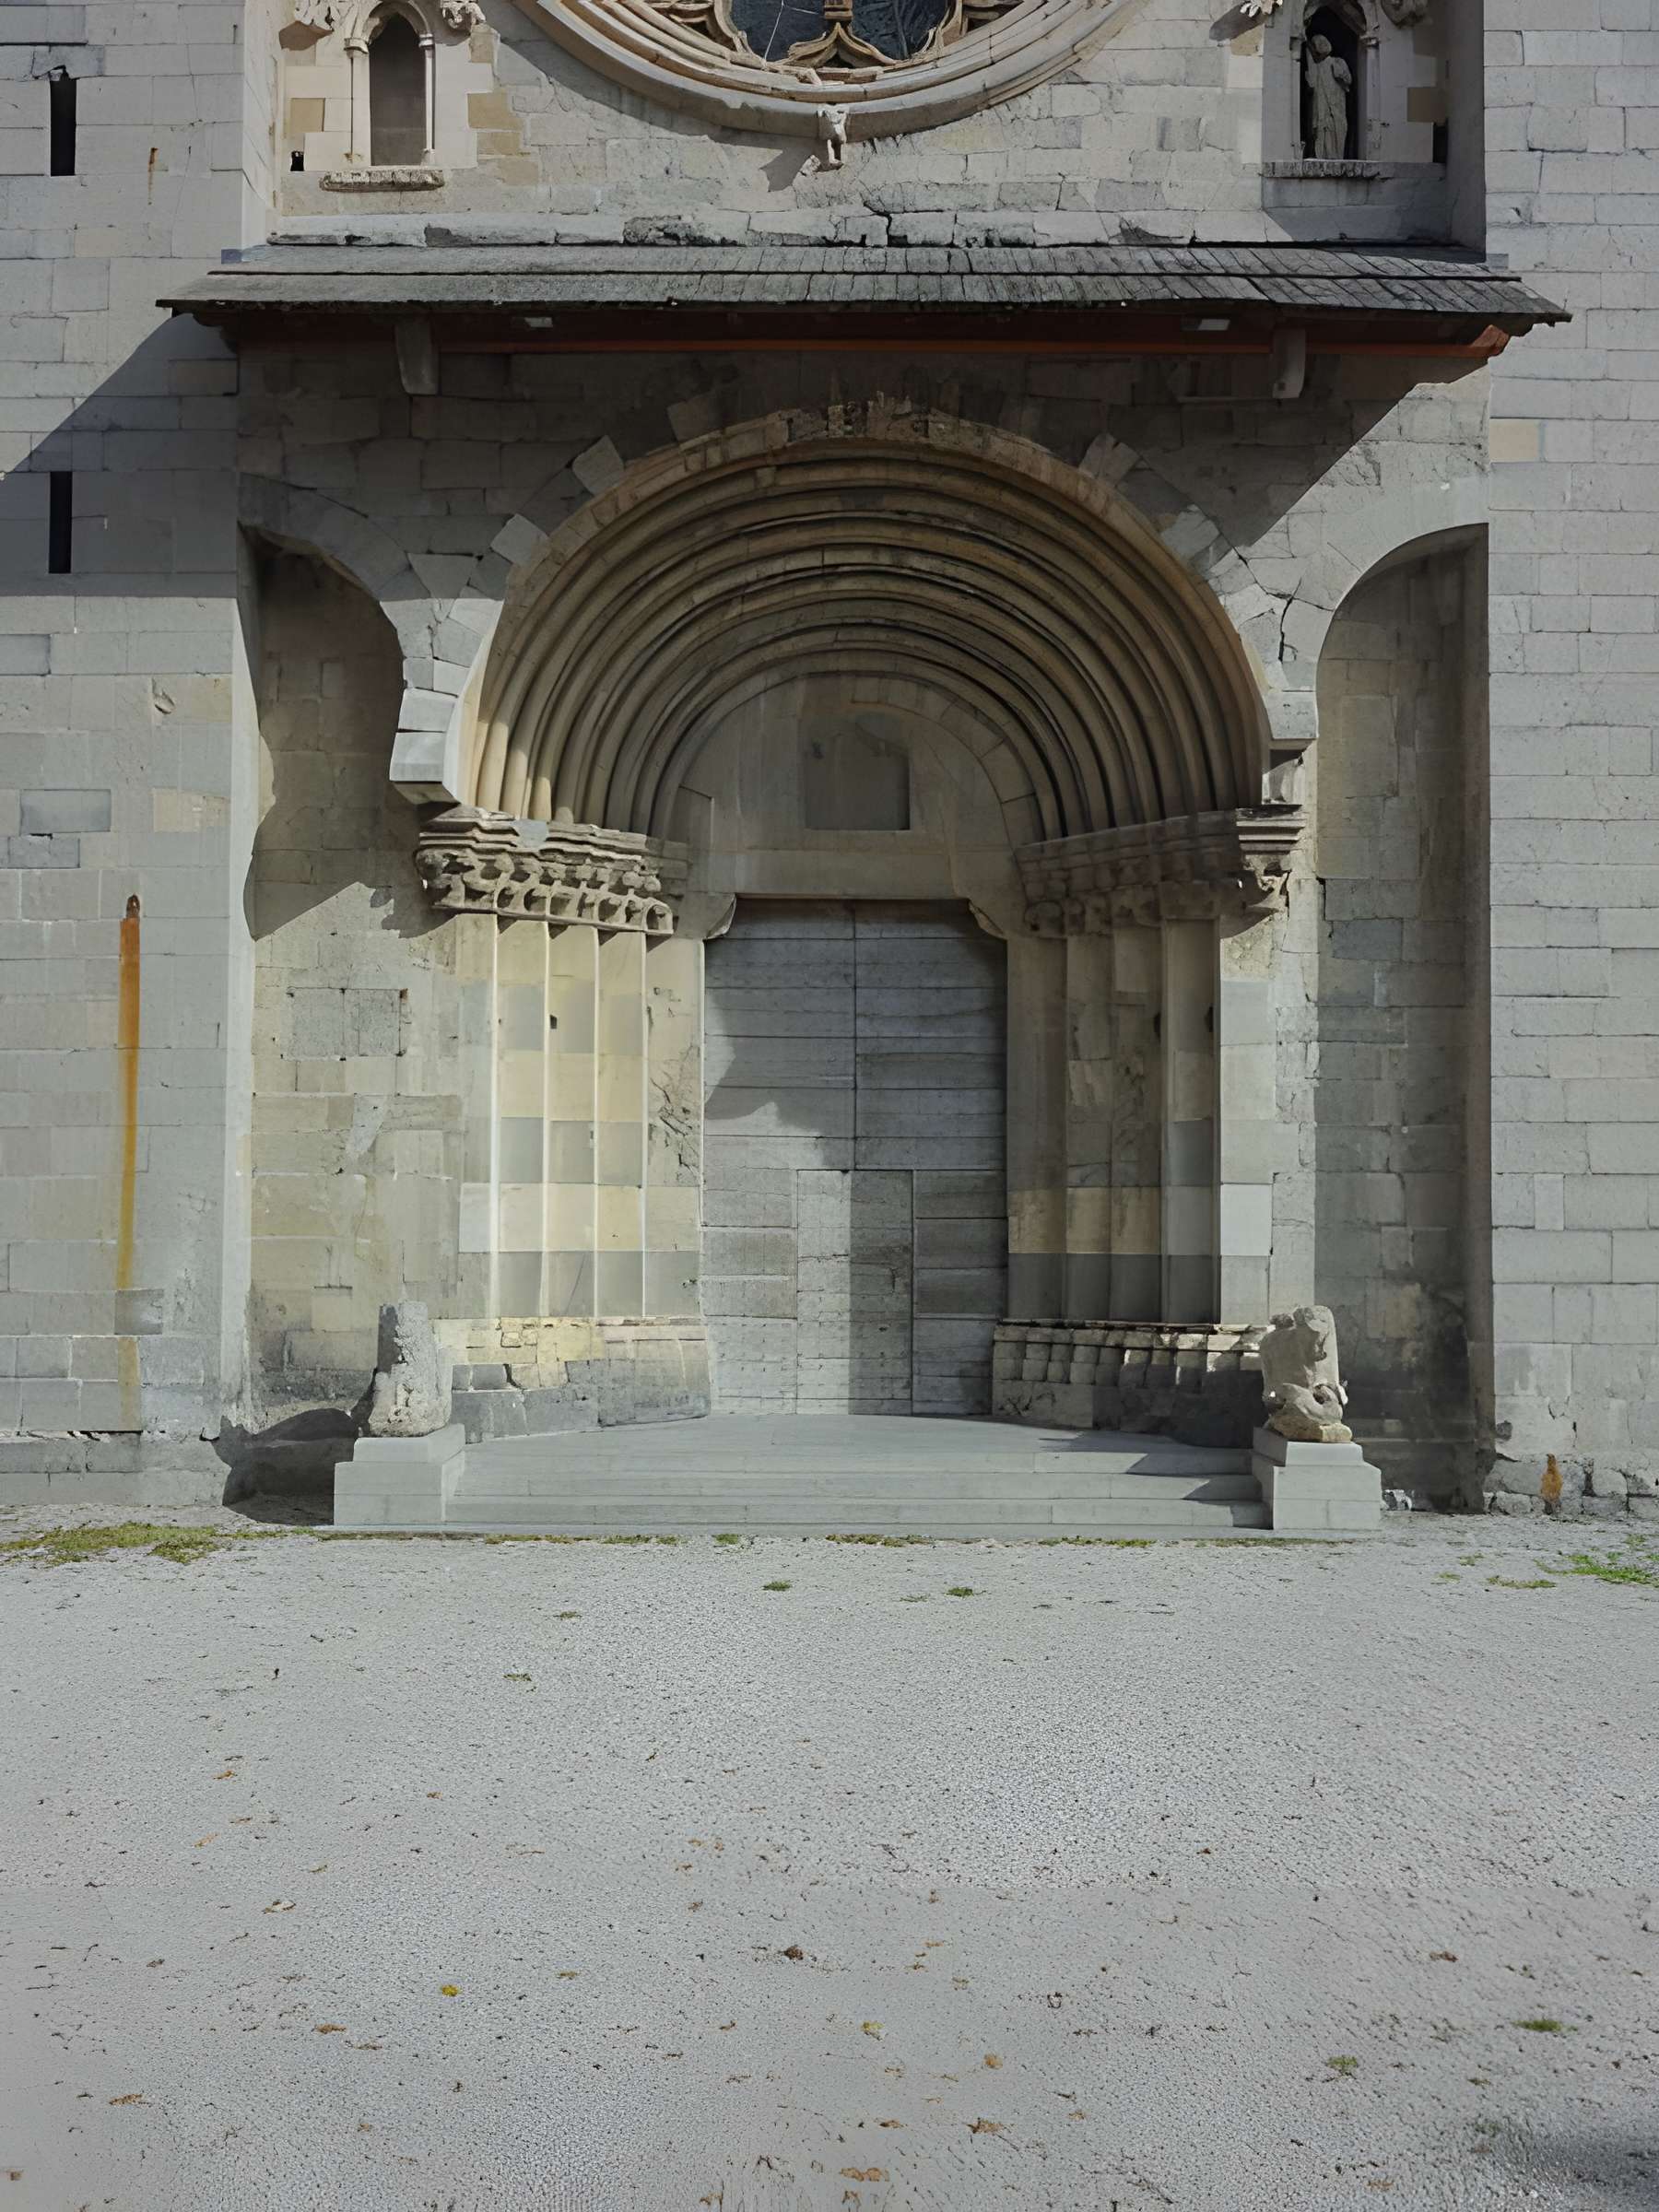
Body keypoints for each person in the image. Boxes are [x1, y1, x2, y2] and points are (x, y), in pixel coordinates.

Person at [1304, 32, 1351, 159]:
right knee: (1322, 139)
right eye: (1318, 44)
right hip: (1321, 112)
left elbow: (1347, 80)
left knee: (1337, 136)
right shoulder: (1315, 68)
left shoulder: (1338, 61)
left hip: (1337, 111)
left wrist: (1337, 71)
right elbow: (1311, 87)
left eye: (1324, 41)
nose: (1322, 44)